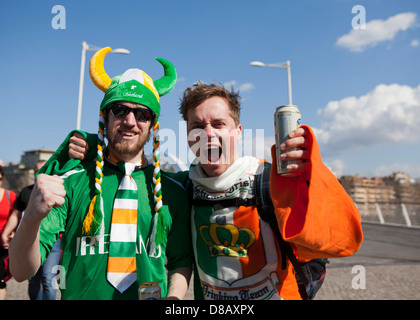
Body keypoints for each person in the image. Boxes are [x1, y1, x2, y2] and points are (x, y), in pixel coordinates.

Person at [66, 82, 363, 300]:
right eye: (198, 126)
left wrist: (310, 175)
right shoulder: (181, 187)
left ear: (237, 131)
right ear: (188, 137)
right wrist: (96, 143)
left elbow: (342, 241)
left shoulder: (271, 180)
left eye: (219, 124)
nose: (208, 133)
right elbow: (131, 164)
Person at [9, 47, 193, 300]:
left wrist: (174, 299)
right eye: (119, 110)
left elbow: (181, 261)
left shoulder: (173, 191)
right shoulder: (71, 182)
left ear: (152, 125)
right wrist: (30, 217)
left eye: (142, 114)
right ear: (104, 117)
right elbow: (20, 271)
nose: (130, 121)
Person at [2, 160, 61, 300]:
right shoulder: (27, 191)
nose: (38, 172)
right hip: (29, 240)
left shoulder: (58, 192)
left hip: (53, 241)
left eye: (43, 169)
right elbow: (16, 215)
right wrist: (6, 233)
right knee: (32, 279)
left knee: (48, 278)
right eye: (36, 169)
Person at [0, 165, 17, 300]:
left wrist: (11, 234)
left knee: (0, 280)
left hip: (3, 244)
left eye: (0, 178)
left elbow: (16, 217)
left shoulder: (10, 195)